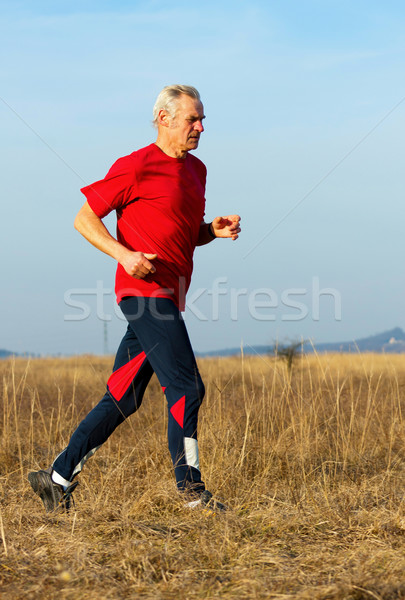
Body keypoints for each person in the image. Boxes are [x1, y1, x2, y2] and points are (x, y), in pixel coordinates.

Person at [28, 84, 241, 514]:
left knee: (122, 397)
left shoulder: (197, 170)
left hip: (170, 296)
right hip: (144, 295)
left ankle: (56, 478)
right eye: (191, 120)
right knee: (186, 386)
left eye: (202, 120)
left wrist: (209, 231)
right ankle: (192, 490)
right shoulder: (136, 165)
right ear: (165, 119)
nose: (200, 127)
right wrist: (123, 255)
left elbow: (182, 233)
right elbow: (84, 218)